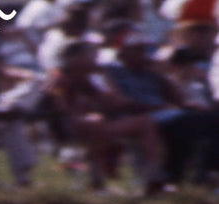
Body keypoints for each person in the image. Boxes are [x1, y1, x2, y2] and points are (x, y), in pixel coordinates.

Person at [45, 37, 165, 189]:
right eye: (91, 56)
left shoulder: (83, 78)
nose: (95, 60)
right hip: (70, 127)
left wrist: (107, 80)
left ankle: (151, 177)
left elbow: (111, 102)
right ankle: (149, 177)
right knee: (140, 124)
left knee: (143, 123)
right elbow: (59, 108)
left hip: (90, 125)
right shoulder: (60, 78)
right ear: (76, 58)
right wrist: (85, 117)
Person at [107, 32, 219, 181]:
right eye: (139, 49)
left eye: (145, 49)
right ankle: (176, 175)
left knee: (212, 119)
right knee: (188, 124)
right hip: (141, 117)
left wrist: (160, 74)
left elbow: (178, 100)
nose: (144, 54)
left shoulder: (150, 72)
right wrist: (160, 108)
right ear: (124, 51)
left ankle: (207, 171)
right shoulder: (112, 71)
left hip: (167, 114)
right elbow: (120, 103)